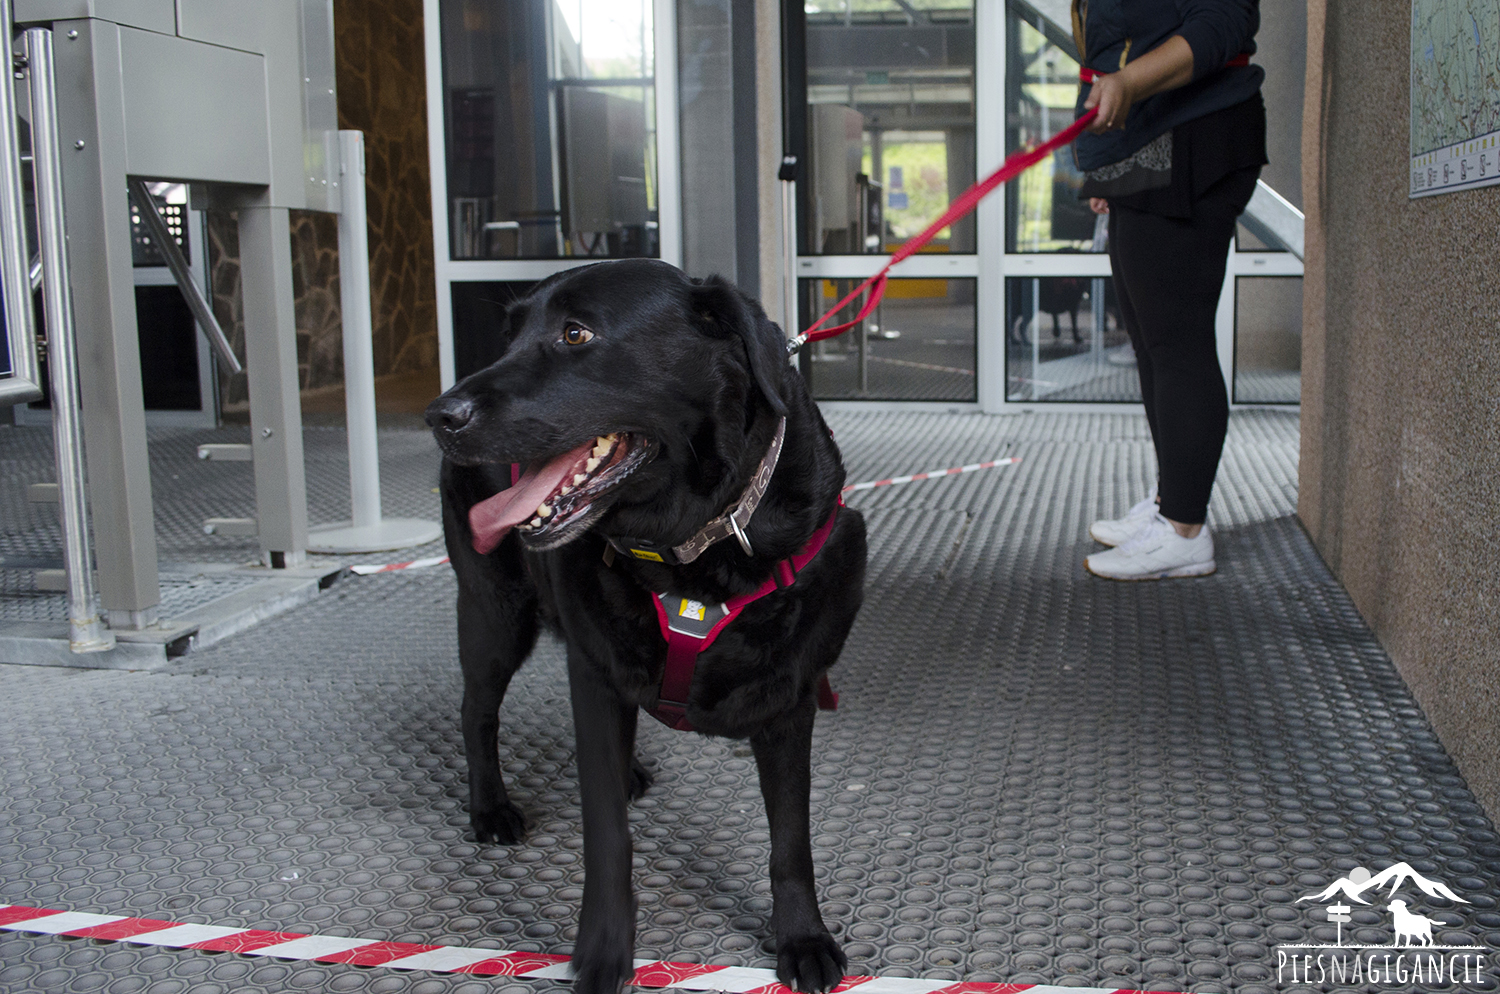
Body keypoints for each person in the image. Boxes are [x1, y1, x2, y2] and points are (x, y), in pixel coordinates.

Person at [1069, 0, 1267, 580]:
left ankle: (1184, 530)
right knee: (1152, 341)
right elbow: (1115, 51)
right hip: (1145, 144)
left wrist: (1129, 82)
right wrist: (1105, 168)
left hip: (1192, 136)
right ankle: (1170, 504)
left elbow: (1225, 20)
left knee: (1177, 343)